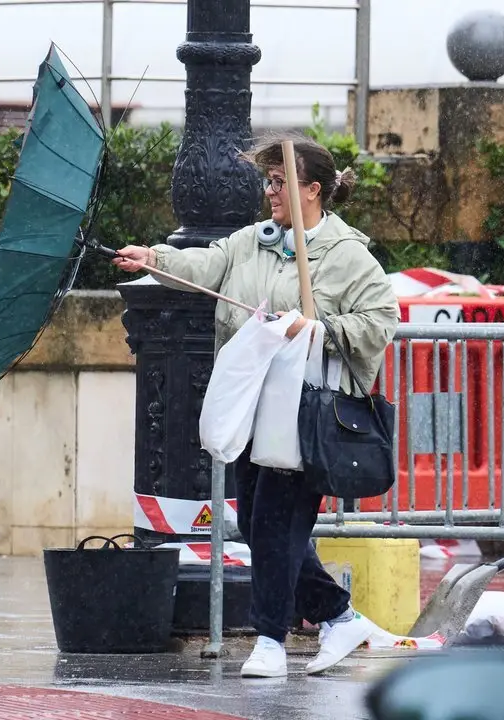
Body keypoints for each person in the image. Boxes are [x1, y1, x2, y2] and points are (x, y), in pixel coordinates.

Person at [112, 135, 400, 679]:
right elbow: (208, 264)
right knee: (259, 520)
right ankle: (338, 617)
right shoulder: (254, 241)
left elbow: (380, 320)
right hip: (252, 404)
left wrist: (316, 326)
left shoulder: (347, 256)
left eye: (278, 181)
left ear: (312, 190)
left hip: (302, 415)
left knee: (274, 523)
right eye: (266, 181)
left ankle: (269, 637)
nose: (268, 191)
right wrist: (154, 258)